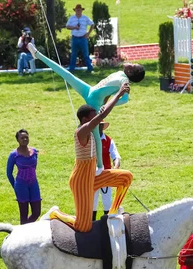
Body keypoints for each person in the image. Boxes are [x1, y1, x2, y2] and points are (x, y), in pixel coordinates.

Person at [27, 43, 145, 175]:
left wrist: (104, 105)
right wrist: (107, 98)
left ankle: (99, 167)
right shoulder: (120, 73)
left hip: (94, 103)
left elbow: (124, 97)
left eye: (133, 66)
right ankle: (37, 55)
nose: (131, 63)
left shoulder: (125, 81)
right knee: (67, 75)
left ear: (130, 72)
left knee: (96, 135)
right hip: (89, 90)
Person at [48, 82, 133, 232]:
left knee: (126, 177)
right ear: (86, 119)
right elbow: (103, 114)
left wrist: (107, 95)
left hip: (94, 176)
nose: (99, 121)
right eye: (94, 117)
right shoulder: (81, 131)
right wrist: (118, 94)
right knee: (84, 226)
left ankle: (113, 213)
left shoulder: (92, 129)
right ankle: (55, 213)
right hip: (81, 180)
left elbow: (102, 110)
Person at [6, 129, 42, 225]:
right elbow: (9, 173)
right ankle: (23, 234)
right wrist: (15, 187)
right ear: (17, 140)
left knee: (36, 212)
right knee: (24, 214)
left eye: (26, 137)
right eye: (22, 138)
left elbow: (34, 167)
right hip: (21, 184)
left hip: (33, 183)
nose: (25, 139)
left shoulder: (34, 151)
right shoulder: (14, 155)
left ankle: (23, 229)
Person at [92, 121, 121, 220]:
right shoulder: (90, 140)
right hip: (93, 177)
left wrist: (115, 168)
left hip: (106, 176)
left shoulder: (108, 140)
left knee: (107, 202)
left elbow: (116, 156)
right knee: (92, 203)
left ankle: (108, 225)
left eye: (99, 125)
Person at [66, 4, 95, 72]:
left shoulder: (85, 18)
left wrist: (88, 33)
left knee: (86, 54)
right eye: (77, 10)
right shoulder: (72, 18)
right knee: (73, 54)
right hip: (75, 38)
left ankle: (89, 68)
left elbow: (92, 24)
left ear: (81, 10)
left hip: (83, 38)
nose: (78, 11)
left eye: (79, 10)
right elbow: (67, 26)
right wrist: (74, 27)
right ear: (75, 10)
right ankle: (72, 68)